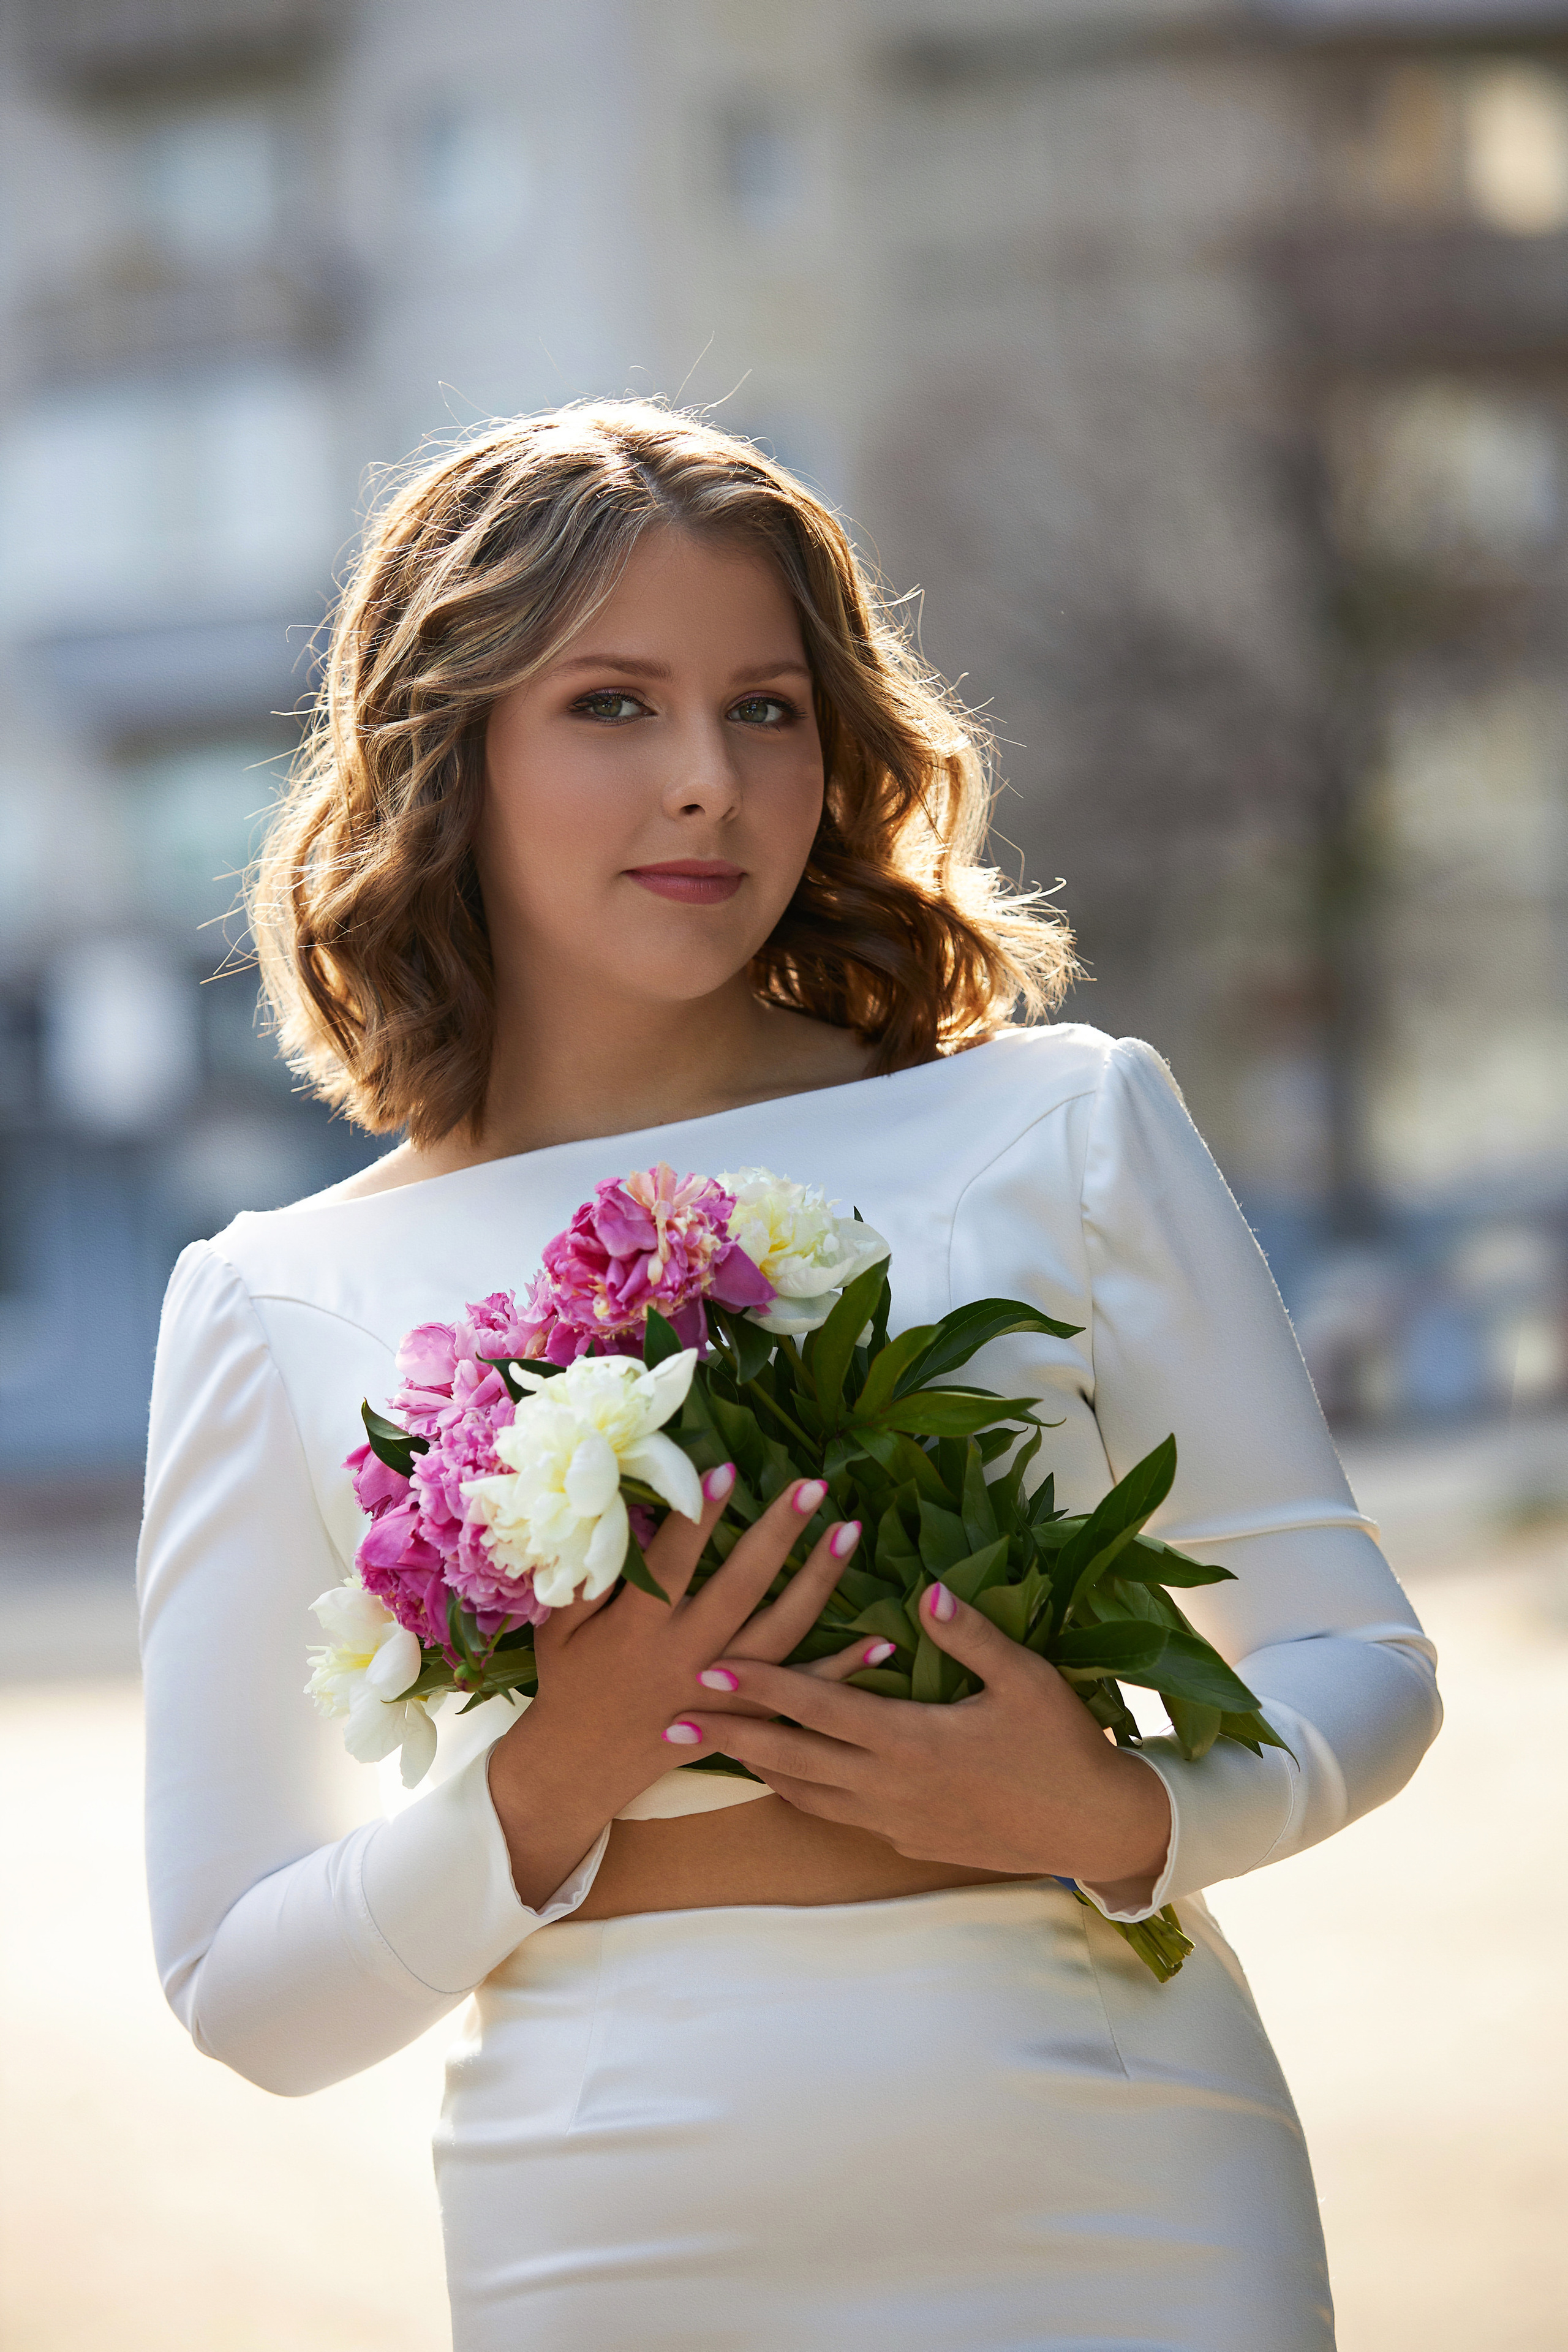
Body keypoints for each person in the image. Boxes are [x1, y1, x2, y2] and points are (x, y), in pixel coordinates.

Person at [138, 400, 1441, 2351]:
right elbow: (246, 1988)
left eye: (767, 709)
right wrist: (562, 1769)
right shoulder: (279, 1295)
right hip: (616, 2234)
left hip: (1127, 2176)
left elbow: (1364, 1661)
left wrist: (1116, 1817)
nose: (709, 785)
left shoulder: (1061, 1124)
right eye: (612, 707)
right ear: (451, 753)